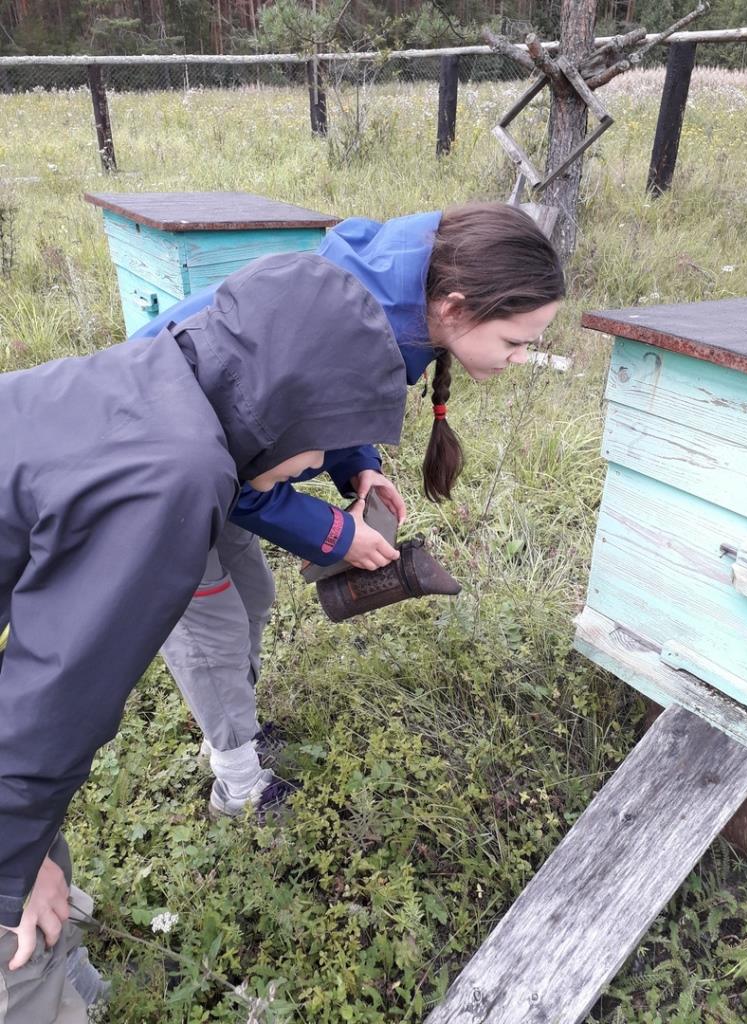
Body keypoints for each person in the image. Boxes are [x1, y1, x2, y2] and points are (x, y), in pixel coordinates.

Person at [0, 252, 411, 1021]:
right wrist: (8, 877)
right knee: (12, 961)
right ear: (283, 407)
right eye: (321, 447)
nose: (317, 465)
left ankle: (73, 974)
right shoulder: (179, 471)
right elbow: (56, 697)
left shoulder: (163, 375)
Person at [135, 202, 566, 817]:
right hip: (161, 473)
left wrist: (356, 462)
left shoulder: (390, 307)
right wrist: (339, 536)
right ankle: (237, 784)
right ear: (455, 307)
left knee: (252, 595)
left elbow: (313, 409)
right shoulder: (352, 331)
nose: (520, 357)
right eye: (515, 341)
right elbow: (242, 476)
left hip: (213, 467)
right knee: (211, 630)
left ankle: (230, 731)